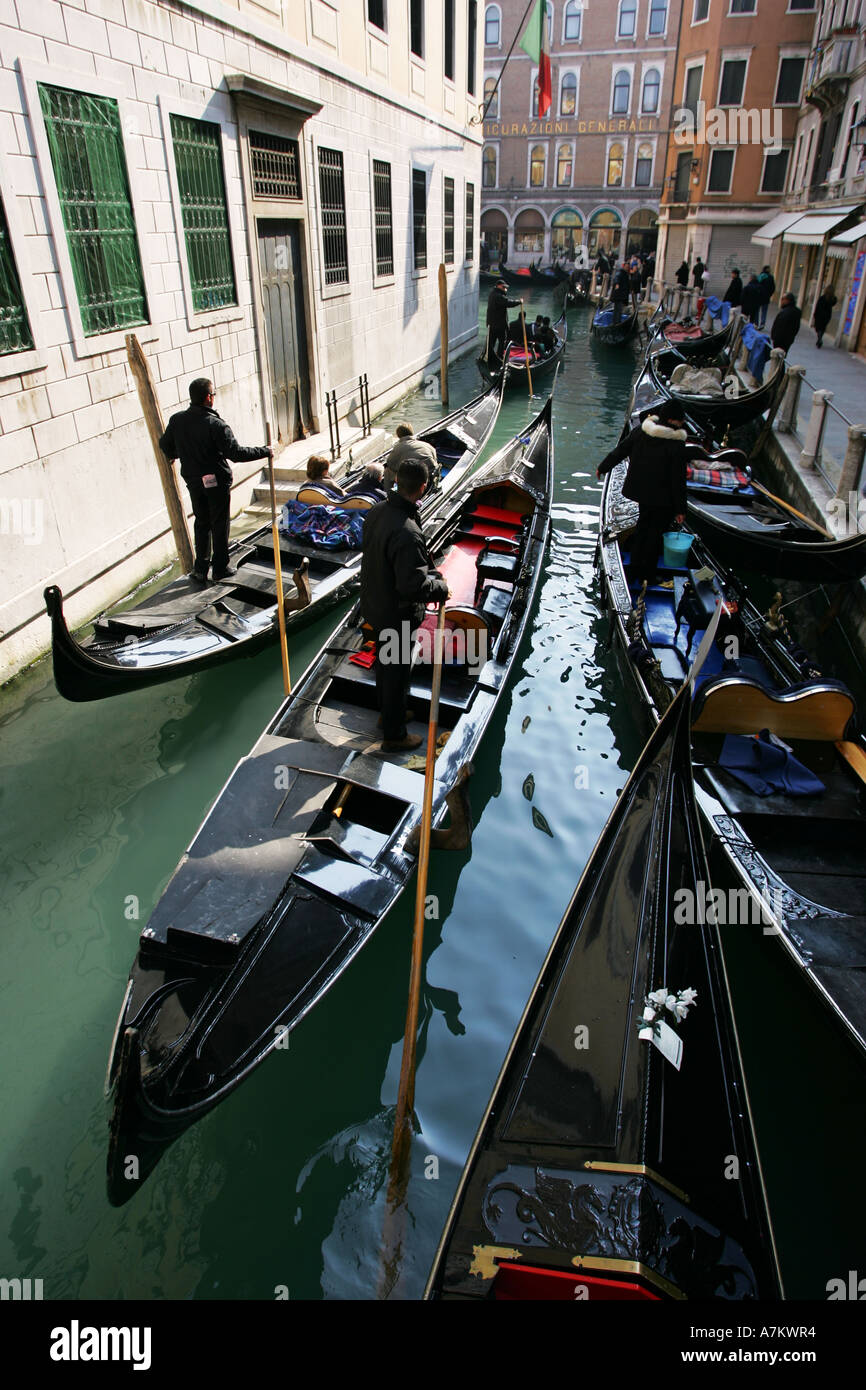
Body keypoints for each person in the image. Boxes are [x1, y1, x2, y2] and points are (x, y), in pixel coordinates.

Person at [360, 457, 449, 751]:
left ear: (397, 481)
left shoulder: (376, 512)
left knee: (385, 666)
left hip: (375, 605)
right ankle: (395, 736)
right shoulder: (408, 530)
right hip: (396, 615)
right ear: (423, 487)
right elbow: (413, 586)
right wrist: (441, 587)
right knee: (396, 671)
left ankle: (388, 716)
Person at [159, 377, 272, 583]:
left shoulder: (177, 420)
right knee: (219, 524)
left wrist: (181, 453)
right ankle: (220, 567)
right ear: (209, 398)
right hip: (216, 482)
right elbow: (236, 453)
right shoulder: (216, 425)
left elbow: (165, 446)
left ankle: (200, 569)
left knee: (202, 523)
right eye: (213, 394)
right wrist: (265, 451)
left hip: (194, 481)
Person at [596, 399, 688, 588]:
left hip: (643, 495)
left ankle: (633, 571)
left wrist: (603, 467)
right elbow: (678, 480)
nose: (683, 424)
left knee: (642, 530)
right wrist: (680, 509)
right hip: (664, 501)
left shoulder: (641, 431)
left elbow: (621, 450)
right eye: (681, 420)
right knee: (654, 537)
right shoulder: (676, 445)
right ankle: (648, 576)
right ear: (672, 420)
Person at [384, 422, 438, 490]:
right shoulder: (428, 445)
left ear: (398, 435)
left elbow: (390, 463)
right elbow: (435, 459)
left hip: (411, 479)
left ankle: (388, 493)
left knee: (387, 471)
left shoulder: (398, 447)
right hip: (430, 475)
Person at [486, 279, 520, 361]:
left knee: (492, 342)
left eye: (506, 287)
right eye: (504, 287)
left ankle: (490, 357)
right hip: (499, 325)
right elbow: (508, 303)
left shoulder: (492, 294)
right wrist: (519, 302)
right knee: (502, 342)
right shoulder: (498, 296)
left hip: (491, 324)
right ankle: (499, 358)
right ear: (498, 286)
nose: (505, 289)